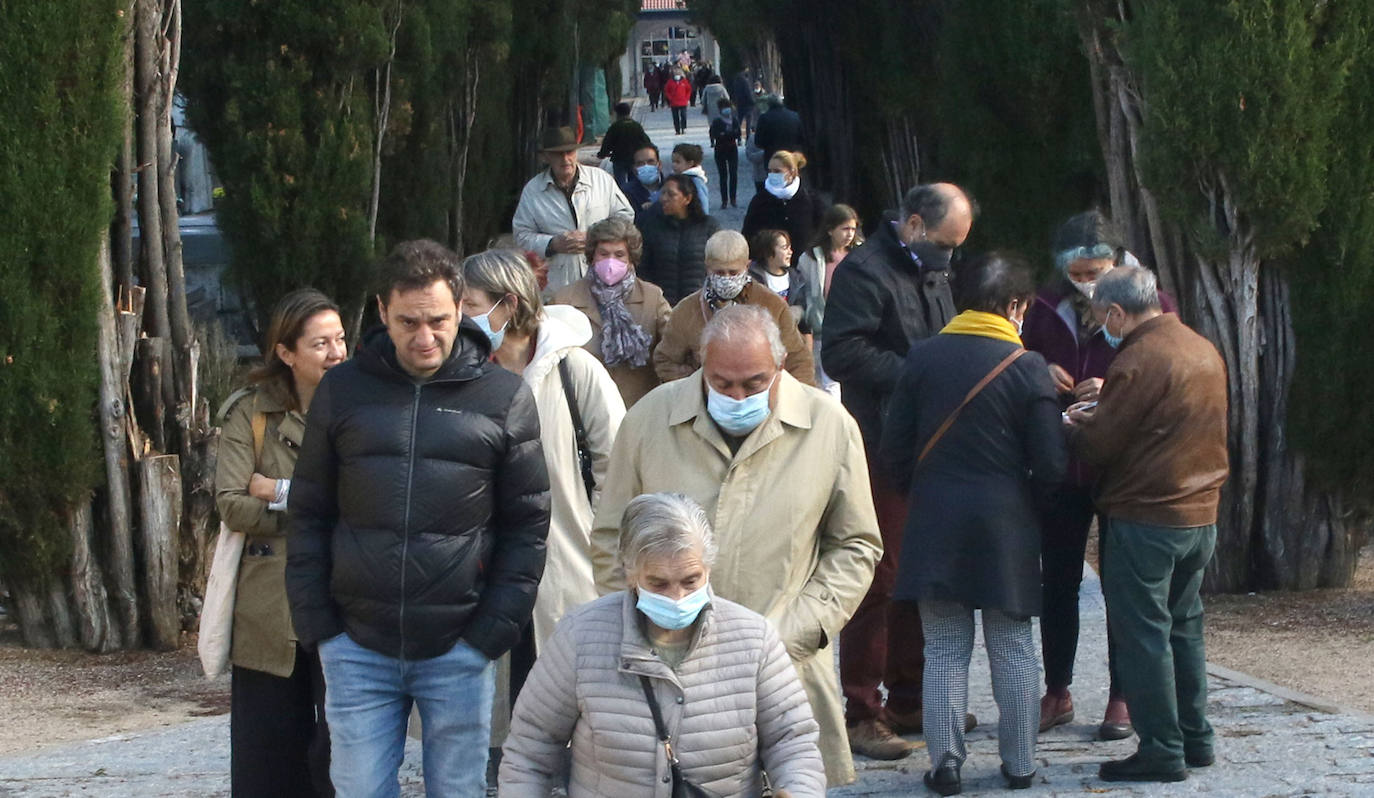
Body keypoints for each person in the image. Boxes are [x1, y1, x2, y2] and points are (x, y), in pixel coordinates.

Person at [286, 240, 550, 796]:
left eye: (438, 320)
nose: (424, 337)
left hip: (459, 646)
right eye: (408, 322)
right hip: (356, 646)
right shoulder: (343, 391)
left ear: (460, 308)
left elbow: (527, 526)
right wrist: (321, 629)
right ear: (382, 311)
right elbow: (309, 513)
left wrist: (489, 633)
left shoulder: (503, 397)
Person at [591, 308, 882, 786]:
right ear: (700, 364)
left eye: (754, 382)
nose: (738, 396)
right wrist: (642, 619)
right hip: (666, 667)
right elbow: (610, 537)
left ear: (783, 365)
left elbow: (855, 544)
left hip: (785, 668)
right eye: (722, 382)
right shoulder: (648, 419)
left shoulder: (829, 425)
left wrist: (796, 629)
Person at [880, 253, 1068, 795]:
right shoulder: (1028, 366)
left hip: (935, 521)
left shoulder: (922, 358)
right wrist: (1028, 503)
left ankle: (945, 763)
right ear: (1015, 306)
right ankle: (1020, 763)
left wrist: (928, 491)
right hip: (1005, 525)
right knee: (1012, 646)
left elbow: (895, 450)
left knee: (942, 648)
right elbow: (1051, 463)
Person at [501, 492, 827, 797]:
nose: (677, 597)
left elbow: (793, 742)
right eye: (658, 583)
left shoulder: (754, 639)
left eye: (690, 581)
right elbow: (531, 749)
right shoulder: (579, 636)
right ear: (631, 573)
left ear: (708, 568)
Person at [822, 183, 975, 760]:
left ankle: (910, 696)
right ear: (913, 225)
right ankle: (861, 708)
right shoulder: (864, 271)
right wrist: (922, 370)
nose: (950, 256)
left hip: (933, 445)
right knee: (879, 577)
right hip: (884, 444)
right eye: (944, 243)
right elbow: (842, 353)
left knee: (921, 574)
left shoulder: (932, 272)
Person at [1065, 265, 1228, 785]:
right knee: (1184, 626)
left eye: (1098, 315)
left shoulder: (1138, 358)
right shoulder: (1201, 347)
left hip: (1146, 516)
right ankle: (1195, 737)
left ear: (1117, 312)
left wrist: (1076, 426)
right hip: (1199, 514)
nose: (1099, 326)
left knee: (1145, 635)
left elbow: (1102, 445)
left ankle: (1161, 749)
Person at [1021, 210, 1179, 742]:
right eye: (1080, 274)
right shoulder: (1045, 305)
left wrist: (1112, 384)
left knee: (1121, 584)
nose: (1088, 282)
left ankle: (1121, 695)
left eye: (1097, 271)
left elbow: (1163, 364)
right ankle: (1057, 689)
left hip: (1123, 463)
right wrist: (1037, 371)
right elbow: (1019, 356)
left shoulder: (1151, 299)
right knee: (1058, 580)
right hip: (1064, 459)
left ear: (1118, 263)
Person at [460, 248, 625, 649]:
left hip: (570, 568)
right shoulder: (463, 373)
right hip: (483, 579)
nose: (461, 317)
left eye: (471, 305)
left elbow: (619, 466)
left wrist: (597, 538)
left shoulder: (575, 370)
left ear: (509, 303)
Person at [216, 289, 346, 798]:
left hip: (344, 597)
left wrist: (278, 491)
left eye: (340, 339)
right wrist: (317, 507)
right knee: (266, 752)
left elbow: (366, 499)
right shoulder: (249, 415)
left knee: (340, 750)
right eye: (320, 343)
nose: (336, 352)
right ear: (286, 353)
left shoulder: (363, 408)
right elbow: (231, 504)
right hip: (268, 605)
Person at [654, 229, 816, 387]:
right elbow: (665, 359)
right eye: (719, 272)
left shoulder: (772, 305)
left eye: (733, 272)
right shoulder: (687, 310)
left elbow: (798, 359)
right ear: (707, 267)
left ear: (747, 266)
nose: (726, 278)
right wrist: (700, 383)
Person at [551, 219, 671, 409]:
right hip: (587, 411)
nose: (610, 262)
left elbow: (674, 347)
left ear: (631, 259)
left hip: (639, 408)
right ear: (592, 256)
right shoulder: (565, 299)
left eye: (619, 255)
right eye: (603, 254)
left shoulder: (652, 298)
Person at [512, 126, 634, 294]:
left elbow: (625, 216)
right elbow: (521, 234)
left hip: (605, 277)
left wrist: (595, 237)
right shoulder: (533, 190)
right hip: (557, 284)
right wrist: (552, 243)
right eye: (557, 154)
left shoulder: (601, 180)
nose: (565, 159)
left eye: (570, 152)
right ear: (545, 157)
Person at [798, 204, 863, 395]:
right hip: (824, 323)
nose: (849, 234)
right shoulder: (811, 257)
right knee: (829, 381)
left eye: (853, 228)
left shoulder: (861, 253)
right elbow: (806, 291)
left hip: (855, 322)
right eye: (844, 229)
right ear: (830, 229)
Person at [636, 174, 721, 306]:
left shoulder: (709, 226)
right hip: (662, 305)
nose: (663, 199)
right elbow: (642, 267)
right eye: (662, 193)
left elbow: (718, 267)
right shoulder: (651, 226)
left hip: (699, 305)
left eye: (671, 194)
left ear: (687, 198)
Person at [741, 150, 824, 268]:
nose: (772, 175)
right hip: (769, 269)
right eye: (769, 171)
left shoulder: (810, 199)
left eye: (777, 171)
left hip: (804, 267)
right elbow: (748, 234)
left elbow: (823, 230)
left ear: (792, 172)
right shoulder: (760, 200)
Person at [747, 228, 813, 337]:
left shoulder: (796, 278)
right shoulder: (754, 279)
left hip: (789, 336)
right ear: (768, 252)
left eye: (790, 247)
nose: (790, 252)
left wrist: (796, 312)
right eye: (784, 248)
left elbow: (803, 306)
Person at [597, 102, 650, 187]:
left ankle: (622, 196)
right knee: (634, 181)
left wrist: (602, 154)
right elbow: (646, 141)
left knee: (620, 182)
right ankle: (632, 196)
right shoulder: (636, 126)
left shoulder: (615, 127)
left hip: (619, 159)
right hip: (634, 159)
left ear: (618, 114)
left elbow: (607, 142)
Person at [620, 143, 665, 227]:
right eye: (640, 163)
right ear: (634, 168)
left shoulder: (673, 187)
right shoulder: (625, 193)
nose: (646, 166)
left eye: (650, 162)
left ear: (659, 165)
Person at [753, 94, 805, 165]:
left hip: (772, 156)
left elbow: (758, 142)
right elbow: (801, 138)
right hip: (791, 155)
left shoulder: (764, 118)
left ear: (768, 104)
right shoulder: (795, 116)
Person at [709, 100, 741, 209]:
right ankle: (724, 200)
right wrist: (728, 134)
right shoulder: (717, 121)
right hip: (720, 149)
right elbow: (714, 134)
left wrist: (725, 134)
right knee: (723, 176)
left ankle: (733, 198)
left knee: (733, 174)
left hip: (732, 149)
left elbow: (738, 134)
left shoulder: (734, 120)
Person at [670, 142, 710, 215]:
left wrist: (702, 221)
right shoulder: (674, 179)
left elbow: (703, 204)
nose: (673, 165)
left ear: (690, 163)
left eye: (677, 162)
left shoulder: (695, 181)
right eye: (673, 161)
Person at [727, 67, 756, 140]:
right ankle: (748, 138)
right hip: (747, 104)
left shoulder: (735, 81)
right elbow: (748, 93)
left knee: (739, 121)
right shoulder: (745, 81)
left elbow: (731, 92)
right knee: (748, 123)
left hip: (738, 104)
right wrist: (752, 102)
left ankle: (738, 137)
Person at [663, 68, 692, 135]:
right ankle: (677, 130)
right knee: (675, 117)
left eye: (678, 73)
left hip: (683, 102)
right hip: (674, 102)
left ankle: (683, 128)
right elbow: (666, 90)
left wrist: (687, 98)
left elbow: (689, 90)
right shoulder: (670, 82)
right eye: (675, 73)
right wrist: (670, 98)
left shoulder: (684, 81)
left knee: (683, 115)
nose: (677, 75)